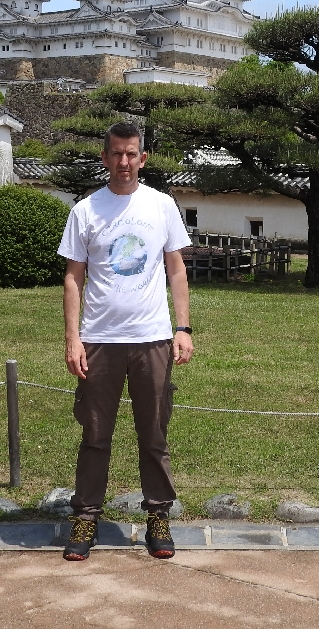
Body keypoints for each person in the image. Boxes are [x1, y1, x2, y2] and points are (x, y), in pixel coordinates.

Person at [56, 121, 194, 561]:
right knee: (95, 433)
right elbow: (74, 278)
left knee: (153, 433)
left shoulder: (162, 206)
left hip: (152, 337)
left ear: (143, 158)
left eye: (131, 154)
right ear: (105, 158)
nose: (124, 162)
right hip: (99, 338)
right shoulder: (86, 210)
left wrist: (183, 327)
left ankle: (157, 515)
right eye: (116, 154)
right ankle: (86, 517)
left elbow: (176, 269)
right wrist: (73, 339)